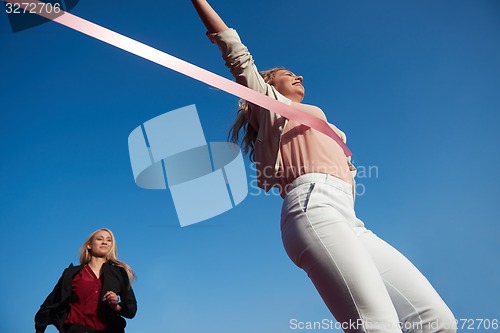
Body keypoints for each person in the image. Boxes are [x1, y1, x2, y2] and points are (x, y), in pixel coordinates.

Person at [191, 1, 457, 332]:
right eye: (288, 74)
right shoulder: (272, 108)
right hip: (312, 206)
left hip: (351, 220)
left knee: (436, 320)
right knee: (377, 326)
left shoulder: (333, 131)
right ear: (268, 85)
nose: (299, 75)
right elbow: (235, 51)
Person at [34, 228, 137, 333]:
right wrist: (39, 329)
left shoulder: (119, 273)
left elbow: (131, 308)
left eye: (109, 240)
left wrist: (116, 306)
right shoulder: (71, 274)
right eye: (99, 239)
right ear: (89, 245)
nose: (105, 242)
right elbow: (49, 304)